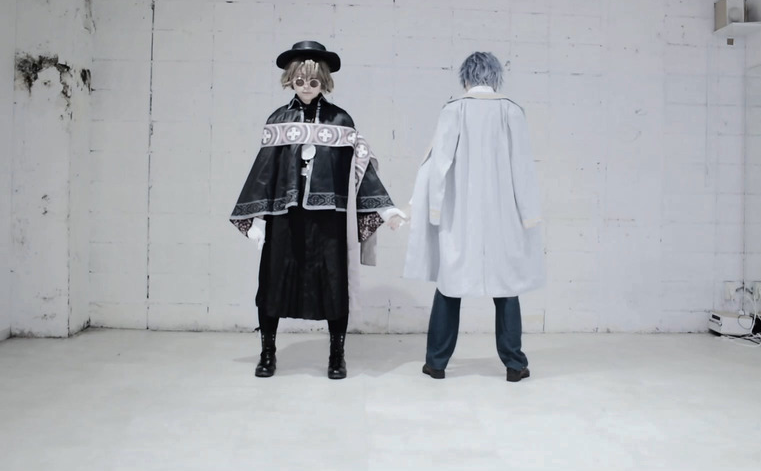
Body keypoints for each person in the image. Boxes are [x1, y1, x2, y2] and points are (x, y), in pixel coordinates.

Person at [229, 41, 405, 380]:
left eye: (313, 81)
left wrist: (386, 209)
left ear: (323, 82)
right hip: (286, 217)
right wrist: (255, 218)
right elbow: (264, 169)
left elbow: (360, 168)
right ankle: (268, 353)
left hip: (329, 220)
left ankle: (337, 355)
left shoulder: (341, 120)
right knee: (273, 283)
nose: (306, 87)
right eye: (300, 80)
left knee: (334, 285)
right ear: (290, 80)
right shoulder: (279, 119)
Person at [403, 51, 545, 382]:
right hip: (503, 215)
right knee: (507, 287)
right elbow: (523, 167)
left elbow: (438, 165)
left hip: (459, 214)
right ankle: (514, 364)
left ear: (465, 78)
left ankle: (436, 363)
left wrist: (434, 209)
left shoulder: (454, 110)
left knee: (449, 285)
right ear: (495, 77)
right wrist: (529, 215)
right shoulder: (512, 111)